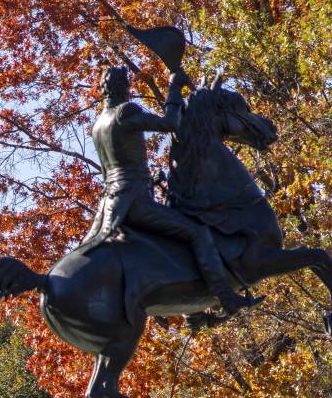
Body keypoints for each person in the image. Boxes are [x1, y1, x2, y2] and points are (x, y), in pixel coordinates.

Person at [76, 63, 256, 316]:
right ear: (123, 87)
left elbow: (113, 172)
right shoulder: (124, 112)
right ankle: (226, 298)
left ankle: (193, 315)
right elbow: (170, 123)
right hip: (135, 201)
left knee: (170, 241)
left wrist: (149, 179)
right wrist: (174, 87)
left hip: (111, 202)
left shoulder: (98, 126)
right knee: (197, 232)